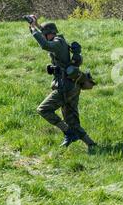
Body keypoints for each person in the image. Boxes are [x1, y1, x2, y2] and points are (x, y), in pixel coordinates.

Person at [28, 15, 96, 151]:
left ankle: (68, 133)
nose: (43, 35)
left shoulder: (57, 43)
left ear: (49, 34)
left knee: (43, 109)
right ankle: (91, 144)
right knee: (72, 120)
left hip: (65, 87)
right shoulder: (59, 40)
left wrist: (33, 29)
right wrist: (35, 25)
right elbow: (46, 34)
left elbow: (45, 45)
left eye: (44, 34)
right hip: (73, 85)